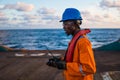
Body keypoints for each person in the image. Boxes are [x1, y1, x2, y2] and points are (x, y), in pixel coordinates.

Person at [47, 8, 96, 80]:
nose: (63, 27)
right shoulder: (75, 39)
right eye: (63, 23)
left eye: (66, 23)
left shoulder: (83, 42)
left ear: (76, 23)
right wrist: (60, 60)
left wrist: (65, 66)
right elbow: (74, 59)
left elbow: (89, 68)